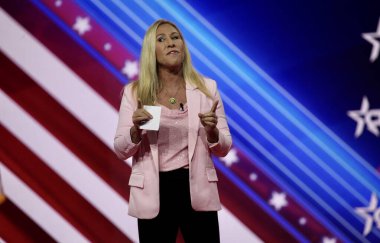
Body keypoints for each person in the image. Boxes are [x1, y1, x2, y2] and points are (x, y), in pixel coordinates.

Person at [114, 19, 232, 243]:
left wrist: (212, 132)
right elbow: (121, 149)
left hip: (196, 188)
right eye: (162, 39)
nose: (170, 43)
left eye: (175, 37)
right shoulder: (135, 92)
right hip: (154, 191)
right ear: (152, 51)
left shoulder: (208, 88)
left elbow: (224, 147)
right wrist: (136, 132)